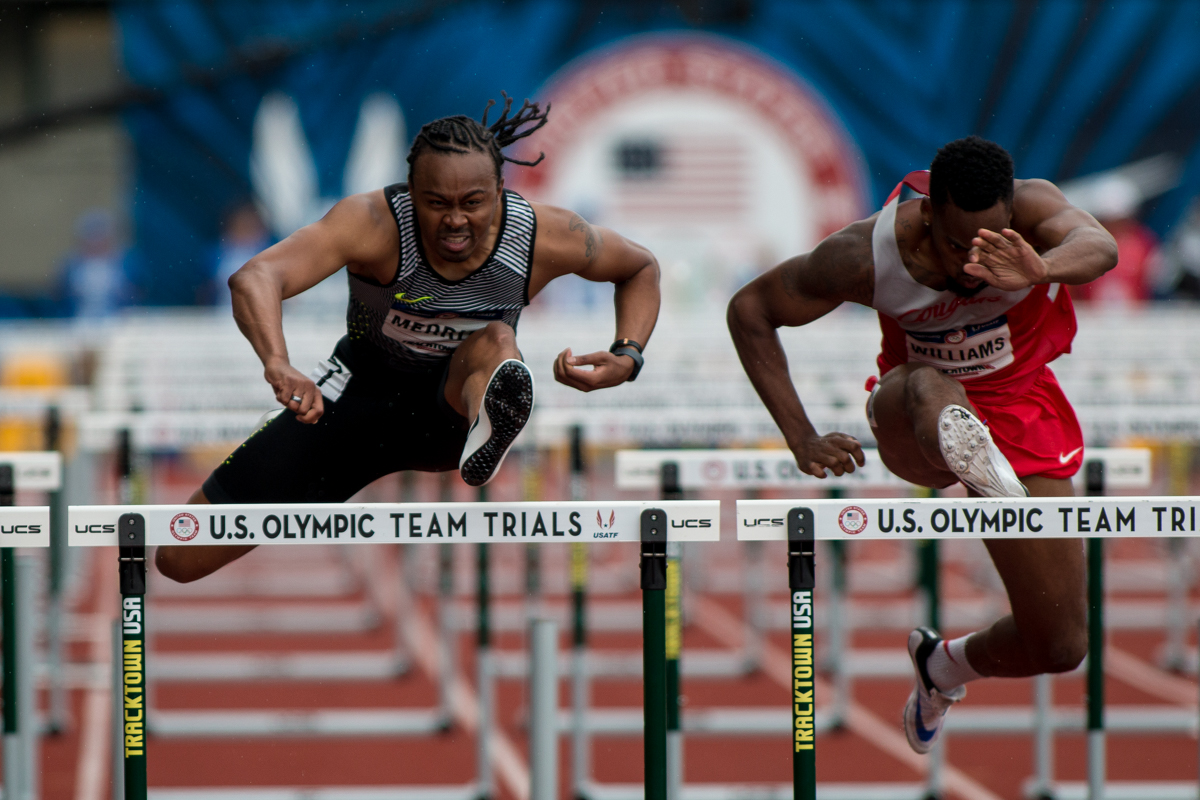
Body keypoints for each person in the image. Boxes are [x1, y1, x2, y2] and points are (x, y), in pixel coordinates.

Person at [156, 95, 660, 583]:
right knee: (178, 558)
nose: (456, 220)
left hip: (447, 416)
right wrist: (277, 361)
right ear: (410, 191)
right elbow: (256, 277)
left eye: (474, 203)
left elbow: (639, 267)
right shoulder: (373, 223)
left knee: (497, 340)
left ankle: (491, 419)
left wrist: (629, 354)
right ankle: (484, 410)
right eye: (436, 203)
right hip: (348, 406)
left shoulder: (545, 236)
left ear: (502, 190)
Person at [727, 136, 1117, 754]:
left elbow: (1100, 246)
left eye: (990, 246)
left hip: (1018, 412)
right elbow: (751, 309)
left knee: (1061, 644)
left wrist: (1039, 268)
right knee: (929, 385)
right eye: (960, 246)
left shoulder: (1034, 212)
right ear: (928, 211)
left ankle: (942, 666)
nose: (971, 266)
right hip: (911, 416)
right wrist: (800, 437)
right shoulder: (864, 253)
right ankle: (973, 459)